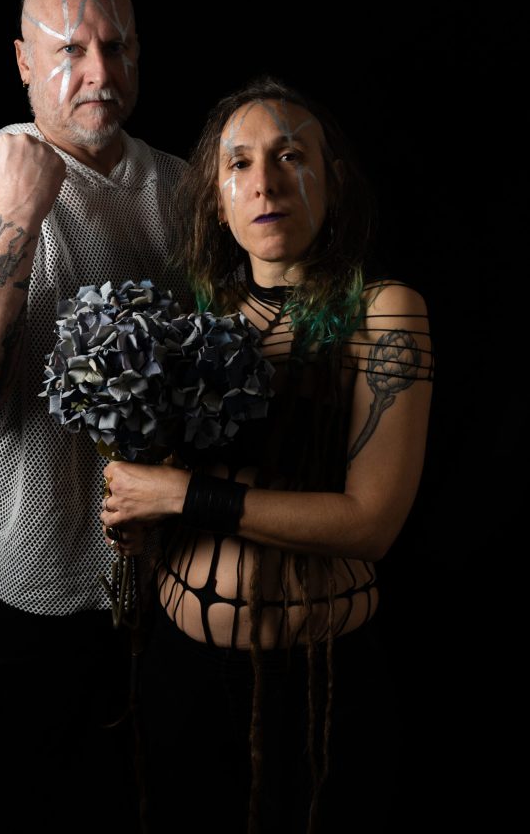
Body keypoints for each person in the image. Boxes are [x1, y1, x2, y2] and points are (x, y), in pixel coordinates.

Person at [101, 76, 434, 834]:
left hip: (314, 681)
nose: (265, 182)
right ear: (217, 200)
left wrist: (179, 495)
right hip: (178, 671)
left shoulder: (382, 310)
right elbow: (156, 491)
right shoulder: (193, 314)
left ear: (331, 178)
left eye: (290, 156)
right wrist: (134, 512)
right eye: (239, 163)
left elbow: (372, 523)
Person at [0, 0, 189, 832]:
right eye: (69, 49)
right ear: (24, 62)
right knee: (16, 797)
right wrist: (20, 214)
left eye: (117, 46)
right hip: (25, 578)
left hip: (160, 579)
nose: (98, 72)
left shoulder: (180, 187)